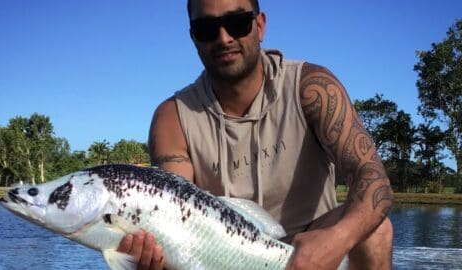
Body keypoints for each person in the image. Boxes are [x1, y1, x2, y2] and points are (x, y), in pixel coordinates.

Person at [117, 0, 395, 269]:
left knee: (377, 232)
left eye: (237, 23)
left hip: (313, 251)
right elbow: (172, 217)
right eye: (206, 29)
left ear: (260, 25)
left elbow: (374, 180)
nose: (223, 38)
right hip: (224, 254)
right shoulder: (172, 117)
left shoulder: (312, 87)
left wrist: (335, 241)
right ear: (193, 37)